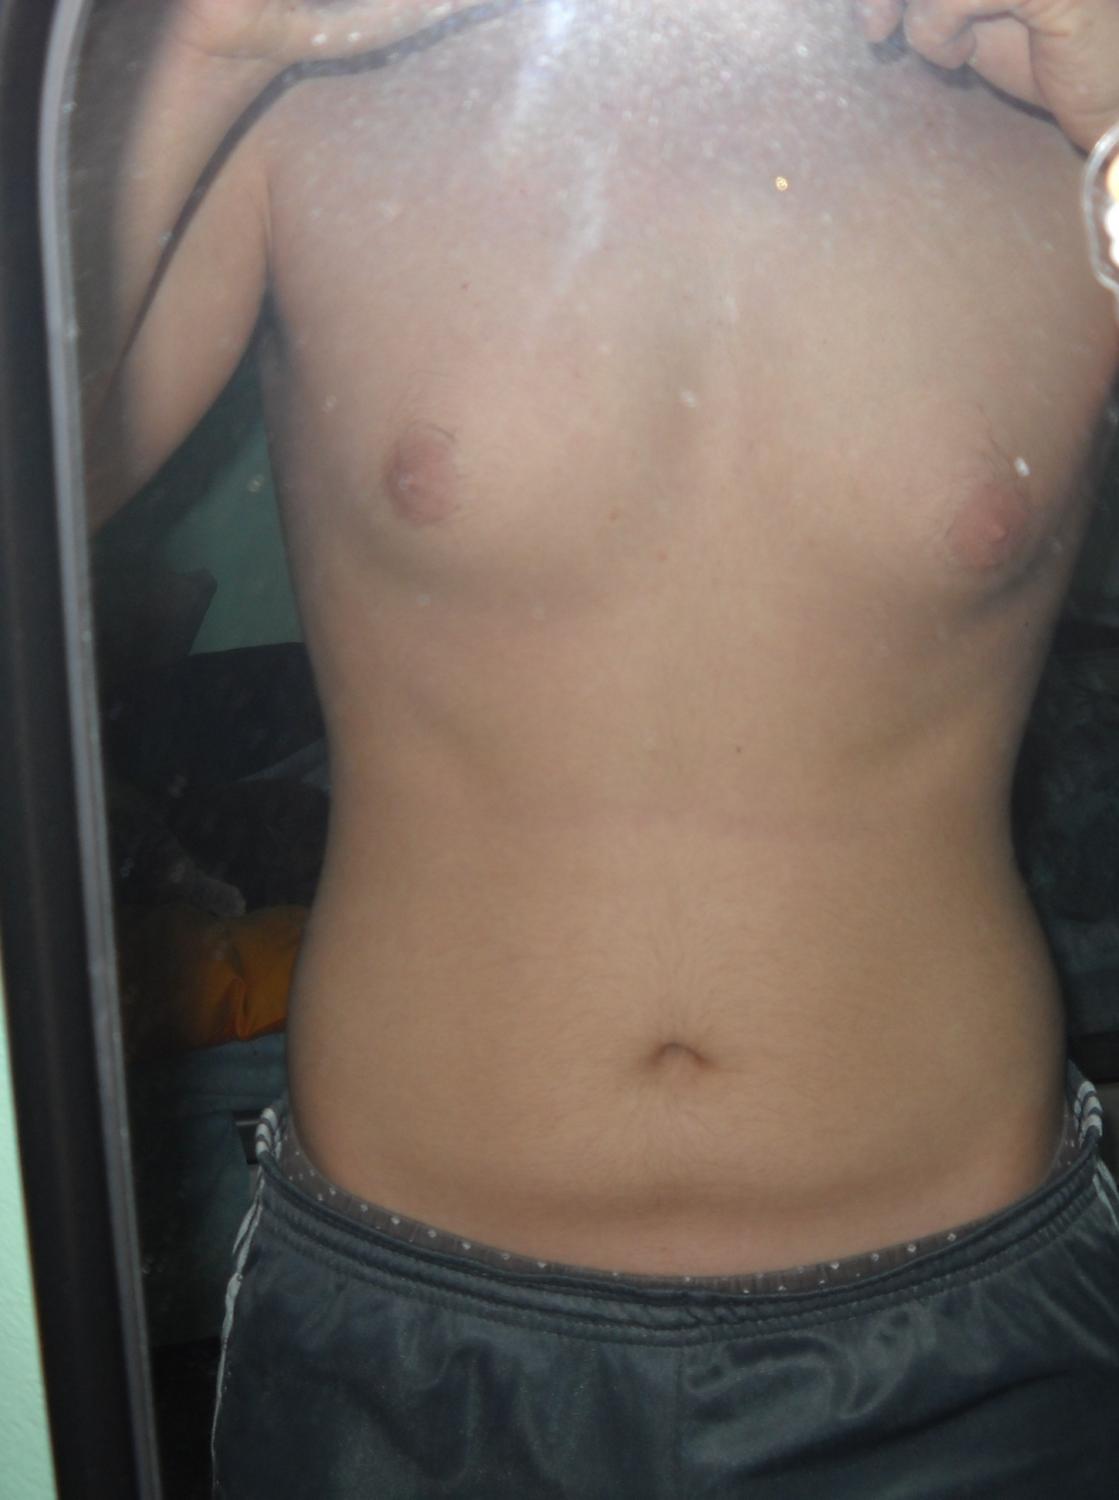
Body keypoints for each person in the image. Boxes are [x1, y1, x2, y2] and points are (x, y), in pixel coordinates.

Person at [74, 1, 1119, 1494]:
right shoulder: (314, 85)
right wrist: (205, 50)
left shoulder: (1058, 108)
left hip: (966, 1351)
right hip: (404, 1348)